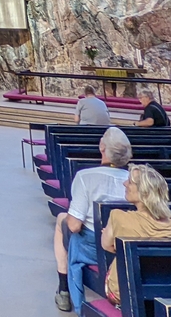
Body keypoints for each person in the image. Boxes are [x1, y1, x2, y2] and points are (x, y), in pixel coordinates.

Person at [52, 126, 132, 312]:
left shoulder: (85, 177)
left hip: (93, 247)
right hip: (126, 245)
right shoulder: (134, 181)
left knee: (62, 220)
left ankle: (63, 289)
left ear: (102, 147)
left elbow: (74, 226)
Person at [100, 164, 171, 304]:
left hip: (125, 293)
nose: (124, 183)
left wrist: (114, 238)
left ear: (143, 192)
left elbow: (106, 245)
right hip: (163, 292)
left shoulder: (118, 217)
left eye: (130, 182)